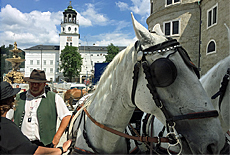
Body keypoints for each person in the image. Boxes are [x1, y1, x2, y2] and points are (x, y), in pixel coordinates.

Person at [0, 81, 71, 154]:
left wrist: (57, 137)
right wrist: (61, 149)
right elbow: (33, 151)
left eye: (38, 83)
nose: (35, 85)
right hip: (25, 145)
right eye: (32, 83)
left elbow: (66, 116)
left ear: (44, 84)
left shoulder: (54, 97)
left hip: (44, 144)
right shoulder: (6, 127)